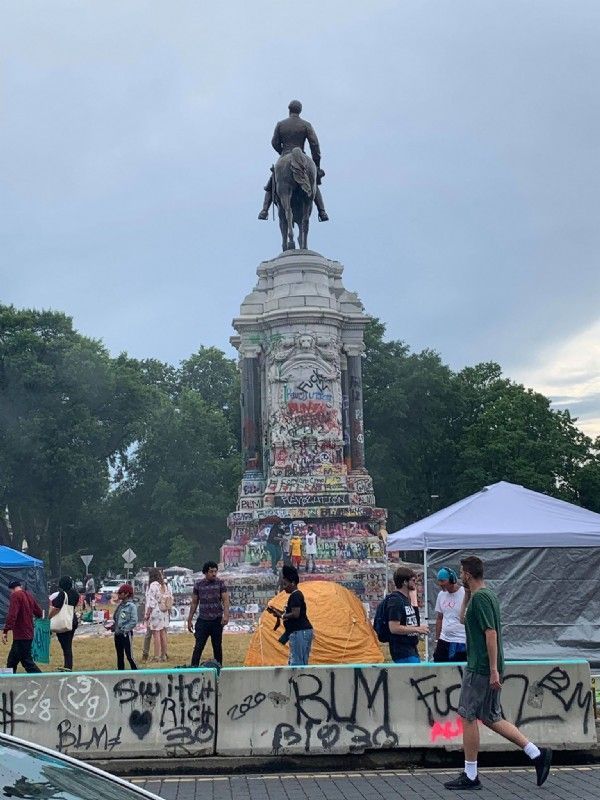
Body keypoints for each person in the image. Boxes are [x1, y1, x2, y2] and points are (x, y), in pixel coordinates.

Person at [444, 555, 551, 791]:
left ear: (468, 574)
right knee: (492, 717)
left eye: (462, 572)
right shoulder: (484, 595)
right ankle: (536, 753)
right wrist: (467, 595)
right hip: (487, 666)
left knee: (468, 716)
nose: (460, 575)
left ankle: (470, 775)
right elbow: (463, 619)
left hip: (481, 667)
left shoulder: (482, 599)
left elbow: (490, 633)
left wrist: (493, 670)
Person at [258, 100, 329, 222]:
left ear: (289, 109)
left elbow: (274, 142)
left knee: (272, 183)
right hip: (302, 156)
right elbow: (315, 145)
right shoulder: (306, 125)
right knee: (313, 185)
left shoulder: (281, 124)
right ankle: (322, 212)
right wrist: (316, 166)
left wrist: (282, 153)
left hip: (285, 153)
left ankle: (264, 210)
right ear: (299, 111)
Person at [266, 565, 313, 666]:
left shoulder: (296, 595)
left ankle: (297, 681)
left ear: (292, 583)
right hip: (300, 632)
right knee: (300, 662)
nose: (283, 587)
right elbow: (291, 613)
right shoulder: (295, 595)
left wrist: (282, 616)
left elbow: (295, 614)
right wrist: (277, 612)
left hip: (299, 632)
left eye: (285, 584)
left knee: (296, 663)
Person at [187, 561, 229, 666]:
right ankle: (194, 668)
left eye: (215, 571)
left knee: (217, 646)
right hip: (203, 620)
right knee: (198, 646)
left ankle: (219, 668)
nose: (214, 574)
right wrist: (189, 619)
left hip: (217, 620)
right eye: (211, 571)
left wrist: (226, 615)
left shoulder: (220, 583)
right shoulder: (198, 585)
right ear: (205, 572)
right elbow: (194, 602)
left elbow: (225, 600)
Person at [386, 567, 429, 664]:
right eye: (413, 580)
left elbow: (413, 621)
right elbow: (394, 627)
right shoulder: (395, 601)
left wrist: (413, 597)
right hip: (402, 650)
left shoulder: (405, 599)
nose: (415, 583)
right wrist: (417, 629)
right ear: (405, 582)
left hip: (412, 648)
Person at [2, 579, 43, 673]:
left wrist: (6, 630)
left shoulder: (15, 596)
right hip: (28, 632)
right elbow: (39, 613)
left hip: (21, 634)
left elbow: (12, 614)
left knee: (26, 662)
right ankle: (10, 682)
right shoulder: (29, 595)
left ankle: (42, 680)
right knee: (12, 661)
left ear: (11, 589)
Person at [433, 567, 467, 663]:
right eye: (439, 581)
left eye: (443, 581)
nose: (440, 584)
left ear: (452, 580)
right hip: (444, 639)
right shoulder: (441, 595)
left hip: (461, 640)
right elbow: (440, 618)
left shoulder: (464, 593)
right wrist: (437, 640)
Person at [49, 576, 80, 672]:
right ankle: (68, 665)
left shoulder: (63, 594)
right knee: (68, 644)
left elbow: (57, 608)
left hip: (63, 620)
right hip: (72, 619)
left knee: (65, 645)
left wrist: (48, 617)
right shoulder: (75, 593)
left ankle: (68, 666)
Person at [144, 567, 171, 662]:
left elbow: (151, 602)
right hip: (164, 611)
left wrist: (147, 614)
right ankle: (163, 655)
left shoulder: (152, 586)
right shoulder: (163, 585)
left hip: (155, 612)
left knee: (156, 635)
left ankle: (156, 657)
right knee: (163, 634)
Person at [111, 583, 138, 670]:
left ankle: (136, 672)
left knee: (129, 656)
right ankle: (120, 673)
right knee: (119, 656)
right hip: (117, 634)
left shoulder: (131, 606)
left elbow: (134, 621)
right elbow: (117, 619)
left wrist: (125, 629)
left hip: (126, 634)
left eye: (120, 593)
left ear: (126, 594)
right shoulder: (120, 606)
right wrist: (113, 626)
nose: (118, 595)